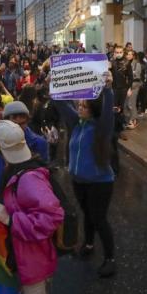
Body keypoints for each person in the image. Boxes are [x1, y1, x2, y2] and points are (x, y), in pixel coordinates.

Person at [0, 120, 64, 294]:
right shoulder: (18, 170)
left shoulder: (29, 179)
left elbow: (53, 216)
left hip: (32, 259)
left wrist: (11, 219)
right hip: (21, 256)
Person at [54, 72, 117, 278]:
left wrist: (107, 89)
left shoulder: (101, 127)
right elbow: (62, 104)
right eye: (79, 105)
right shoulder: (76, 123)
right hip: (79, 181)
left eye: (83, 106)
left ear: (93, 110)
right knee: (87, 214)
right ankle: (88, 244)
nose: (79, 108)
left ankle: (110, 258)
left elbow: (108, 111)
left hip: (100, 182)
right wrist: (55, 84)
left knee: (99, 218)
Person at [0, 101, 49, 204]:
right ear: (6, 122)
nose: (18, 128)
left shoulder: (39, 143)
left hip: (23, 200)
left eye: (22, 123)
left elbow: (43, 173)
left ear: (27, 121)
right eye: (14, 124)